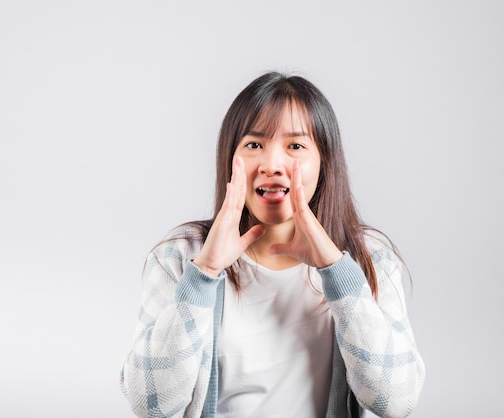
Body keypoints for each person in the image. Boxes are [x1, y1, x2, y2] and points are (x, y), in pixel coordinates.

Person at [120, 72, 425, 417]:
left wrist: (336, 269)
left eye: (295, 146)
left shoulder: (370, 257)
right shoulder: (180, 256)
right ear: (229, 158)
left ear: (324, 161)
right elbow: (151, 406)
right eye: (254, 145)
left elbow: (395, 401)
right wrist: (203, 274)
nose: (272, 165)